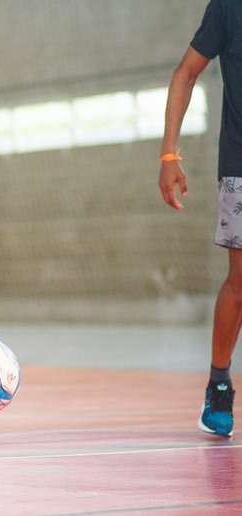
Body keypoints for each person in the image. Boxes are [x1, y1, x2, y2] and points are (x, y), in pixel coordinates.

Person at [159, 0, 240, 437]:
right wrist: (170, 153)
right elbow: (184, 73)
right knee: (241, 282)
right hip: (241, 166)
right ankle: (220, 382)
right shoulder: (228, 7)